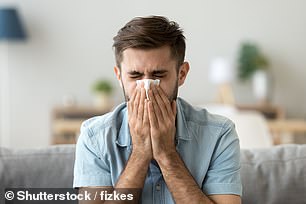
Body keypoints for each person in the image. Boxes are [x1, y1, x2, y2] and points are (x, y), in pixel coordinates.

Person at [73, 15, 242, 204]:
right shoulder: (94, 137)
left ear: (182, 74)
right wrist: (140, 153)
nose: (146, 88)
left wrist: (166, 153)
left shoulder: (220, 134)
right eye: (135, 76)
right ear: (119, 76)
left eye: (158, 75)